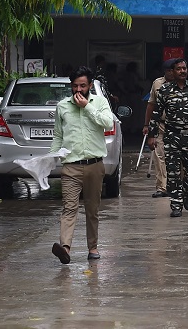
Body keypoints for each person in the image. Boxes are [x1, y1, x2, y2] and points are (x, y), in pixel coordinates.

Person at [50, 66, 114, 264]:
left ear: (90, 85)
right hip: (71, 166)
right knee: (69, 208)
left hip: (95, 164)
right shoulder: (62, 106)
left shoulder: (100, 102)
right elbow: (58, 134)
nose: (78, 90)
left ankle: (92, 247)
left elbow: (108, 123)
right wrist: (51, 157)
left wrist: (87, 106)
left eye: (83, 86)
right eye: (75, 86)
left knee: (92, 209)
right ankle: (65, 249)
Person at [147, 58, 188, 218]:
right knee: (173, 173)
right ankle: (176, 205)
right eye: (179, 69)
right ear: (172, 71)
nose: (182, 71)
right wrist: (152, 135)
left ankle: (187, 193)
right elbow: (155, 114)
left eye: (185, 68)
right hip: (172, 136)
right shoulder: (165, 90)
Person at [142, 59, 175, 198]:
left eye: (172, 70)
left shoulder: (186, 85)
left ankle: (176, 186)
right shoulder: (157, 83)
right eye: (168, 71)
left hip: (178, 126)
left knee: (176, 157)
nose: (170, 73)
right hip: (160, 124)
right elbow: (151, 105)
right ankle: (162, 187)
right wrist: (146, 125)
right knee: (159, 155)